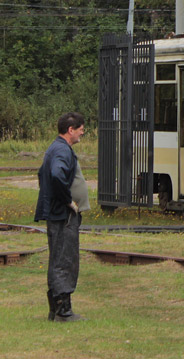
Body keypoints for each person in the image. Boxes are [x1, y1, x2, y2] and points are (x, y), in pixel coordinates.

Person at [34, 111, 89, 322]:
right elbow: (56, 175)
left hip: (58, 214)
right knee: (65, 259)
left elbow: (42, 174)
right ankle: (63, 311)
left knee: (60, 257)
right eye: (81, 130)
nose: (82, 133)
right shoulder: (61, 150)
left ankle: (55, 309)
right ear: (70, 130)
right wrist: (68, 201)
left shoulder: (56, 148)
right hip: (63, 216)